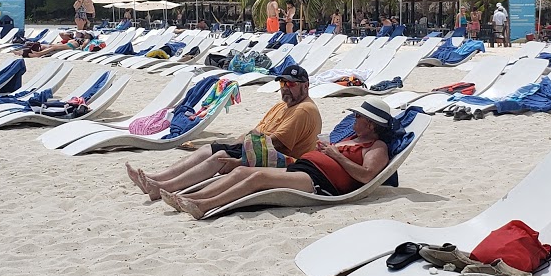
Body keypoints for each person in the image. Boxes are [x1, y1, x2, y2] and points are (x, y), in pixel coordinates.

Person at [159, 96, 397, 220]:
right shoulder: (353, 136)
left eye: (358, 116)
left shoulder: (377, 147)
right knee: (241, 172)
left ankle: (204, 205)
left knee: (259, 178)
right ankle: (189, 197)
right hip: (304, 167)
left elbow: (366, 176)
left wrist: (336, 155)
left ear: (370, 123)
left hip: (322, 184)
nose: (354, 119)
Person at [126, 63, 323, 200]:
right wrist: (235, 144)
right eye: (282, 84)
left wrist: (239, 157)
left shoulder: (304, 109)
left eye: (291, 84)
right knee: (210, 149)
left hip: (279, 158)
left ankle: (164, 187)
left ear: (306, 86)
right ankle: (157, 179)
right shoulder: (283, 106)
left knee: (219, 155)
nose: (285, 89)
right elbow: (256, 130)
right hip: (259, 147)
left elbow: (276, 144)